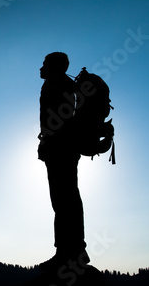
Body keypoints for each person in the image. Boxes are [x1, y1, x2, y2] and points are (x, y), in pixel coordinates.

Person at [37, 52, 90, 271]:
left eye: (45, 64)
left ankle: (68, 253)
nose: (41, 67)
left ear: (54, 67)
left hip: (60, 149)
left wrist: (49, 143)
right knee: (68, 198)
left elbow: (57, 120)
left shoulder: (54, 84)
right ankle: (73, 250)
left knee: (63, 200)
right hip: (67, 149)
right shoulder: (68, 84)